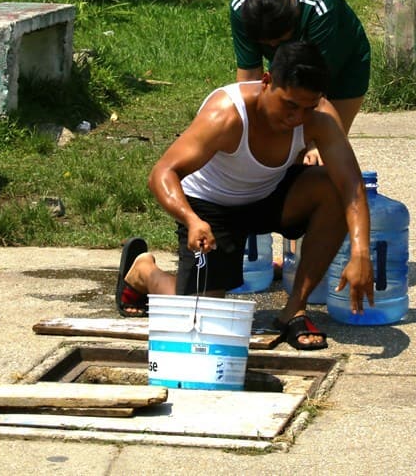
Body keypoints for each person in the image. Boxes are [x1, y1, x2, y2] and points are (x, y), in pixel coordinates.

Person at [115, 42, 374, 350]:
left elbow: (351, 186)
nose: (297, 118)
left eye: (308, 108)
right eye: (290, 105)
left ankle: (295, 310)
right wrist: (191, 219)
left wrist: (360, 251)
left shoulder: (319, 117)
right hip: (210, 210)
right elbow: (162, 173)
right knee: (201, 322)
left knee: (331, 188)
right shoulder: (226, 115)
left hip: (267, 195)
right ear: (267, 82)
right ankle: (145, 274)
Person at [230, 0, 371, 165]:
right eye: (265, 44)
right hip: (291, 65)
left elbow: (315, 86)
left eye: (279, 41)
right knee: (276, 149)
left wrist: (314, 140)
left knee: (322, 152)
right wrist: (246, 132)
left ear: (295, 18)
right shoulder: (241, 6)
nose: (271, 47)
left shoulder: (320, 3)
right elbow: (249, 78)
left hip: (344, 62)